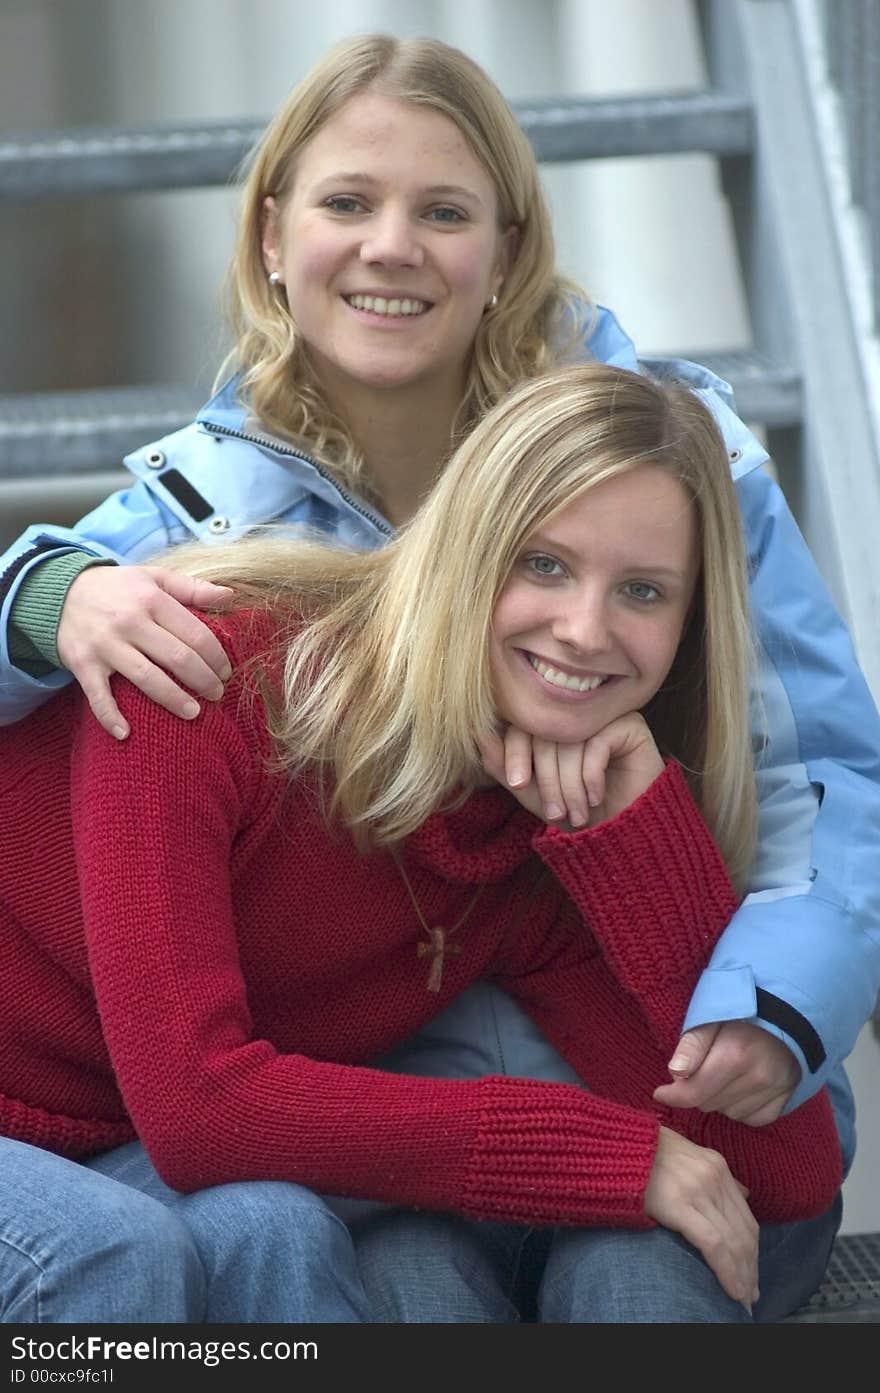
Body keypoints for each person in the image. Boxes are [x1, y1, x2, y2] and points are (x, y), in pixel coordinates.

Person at [0, 30, 875, 1308]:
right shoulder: (200, 589)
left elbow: (828, 776)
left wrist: (760, 984)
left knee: (311, 1245)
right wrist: (45, 591)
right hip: (309, 1110)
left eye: (637, 591)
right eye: (348, 201)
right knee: (192, 1256)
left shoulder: (665, 461)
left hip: (593, 1022)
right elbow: (204, 1103)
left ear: (509, 248)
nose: (580, 630)